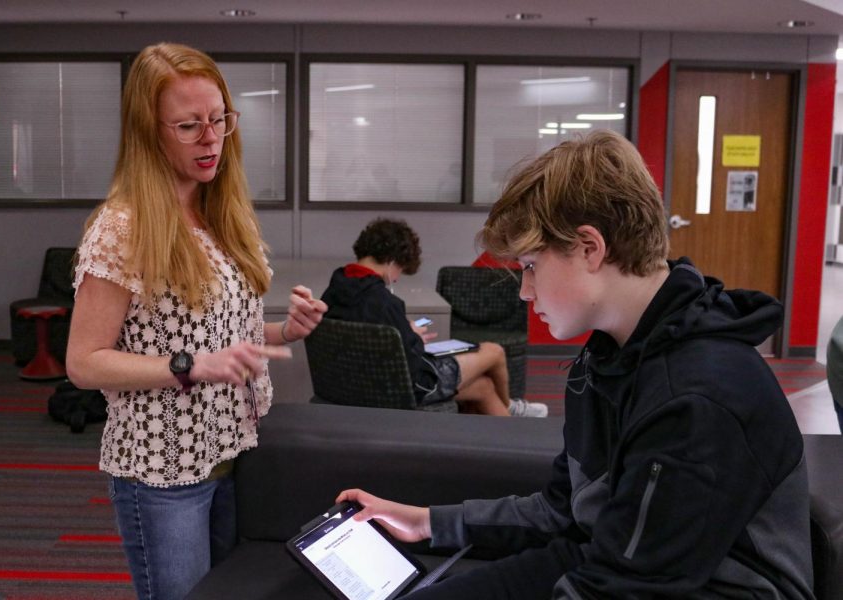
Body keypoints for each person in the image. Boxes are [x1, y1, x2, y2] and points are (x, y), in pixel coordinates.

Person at [337, 130, 814, 598]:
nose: (525, 291)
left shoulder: (698, 396)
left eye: (529, 266)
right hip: (602, 563)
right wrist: (425, 522)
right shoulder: (606, 357)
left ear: (590, 248)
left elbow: (629, 586)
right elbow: (566, 513)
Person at [65, 43, 326, 600]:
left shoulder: (221, 214)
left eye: (219, 120)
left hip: (236, 453)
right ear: (149, 132)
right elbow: (85, 364)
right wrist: (191, 366)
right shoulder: (121, 227)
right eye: (189, 126)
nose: (211, 139)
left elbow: (223, 337)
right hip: (164, 471)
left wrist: (285, 331)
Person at [321, 217, 547, 417]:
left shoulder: (336, 286)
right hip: (409, 388)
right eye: (400, 269)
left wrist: (404, 331)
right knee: (494, 351)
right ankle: (512, 408)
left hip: (357, 385)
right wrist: (414, 336)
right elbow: (412, 361)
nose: (397, 278)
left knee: (484, 387)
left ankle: (505, 422)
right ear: (392, 261)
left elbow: (372, 334)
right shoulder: (384, 301)